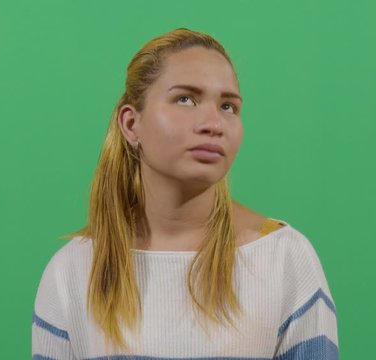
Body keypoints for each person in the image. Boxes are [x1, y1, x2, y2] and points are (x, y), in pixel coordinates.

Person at [32, 28, 339, 359]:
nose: (213, 123)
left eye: (228, 106)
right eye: (185, 99)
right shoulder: (72, 272)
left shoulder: (285, 259)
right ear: (131, 124)